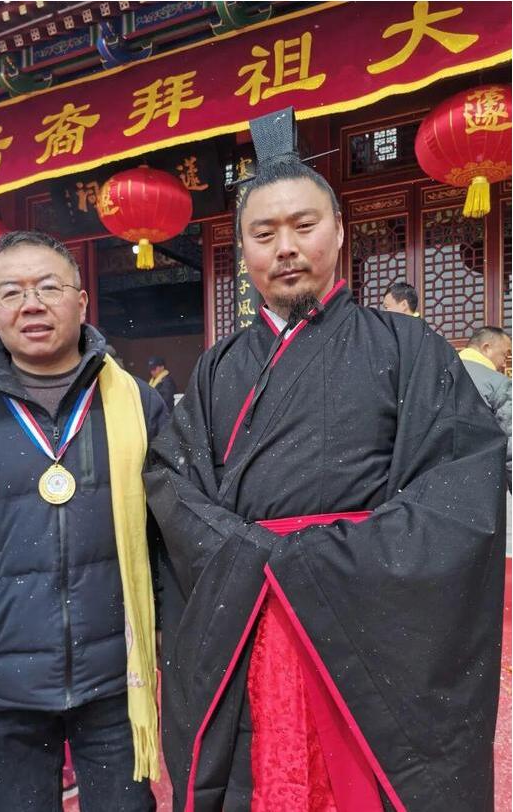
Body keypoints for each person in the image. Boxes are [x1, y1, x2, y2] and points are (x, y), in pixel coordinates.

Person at [144, 108, 507, 812]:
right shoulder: (217, 368)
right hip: (250, 614)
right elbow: (172, 483)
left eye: (304, 225)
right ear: (243, 250)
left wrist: (322, 558)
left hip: (363, 623)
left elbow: (460, 482)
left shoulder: (408, 348)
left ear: (339, 233)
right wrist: (247, 552)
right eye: (263, 233)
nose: (285, 248)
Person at [0, 231, 166, 811]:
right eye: (12, 292)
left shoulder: (135, 405)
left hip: (114, 679)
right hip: (2, 683)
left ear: (81, 301)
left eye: (49, 287)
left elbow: (166, 535)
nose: (32, 305)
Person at [459, 326, 511, 490]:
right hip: (478, 482)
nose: (504, 363)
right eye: (505, 354)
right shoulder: (498, 384)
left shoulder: (433, 374)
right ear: (486, 348)